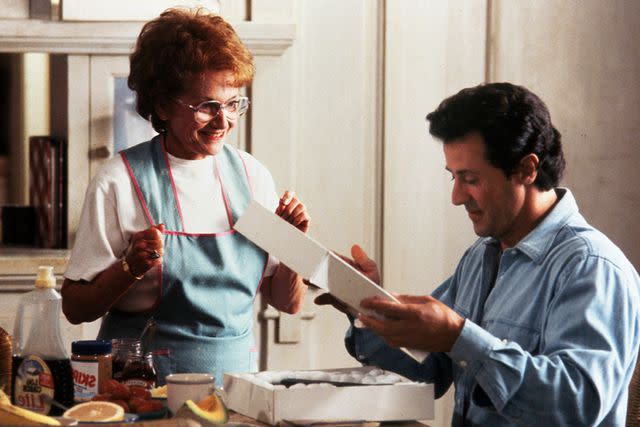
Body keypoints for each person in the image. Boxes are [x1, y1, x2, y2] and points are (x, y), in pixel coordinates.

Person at [317, 83, 640, 426]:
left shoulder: (591, 267)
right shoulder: (480, 257)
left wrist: (460, 338)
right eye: (453, 177)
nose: (456, 196)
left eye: (470, 178)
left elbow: (579, 406)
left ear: (527, 169)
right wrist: (366, 305)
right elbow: (427, 370)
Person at [61, 7, 310, 385]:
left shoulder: (252, 177)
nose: (223, 120)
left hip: (235, 387)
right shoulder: (119, 181)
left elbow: (287, 302)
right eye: (207, 106)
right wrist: (130, 267)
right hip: (141, 389)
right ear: (162, 105)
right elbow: (76, 307)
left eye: (232, 104)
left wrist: (295, 242)